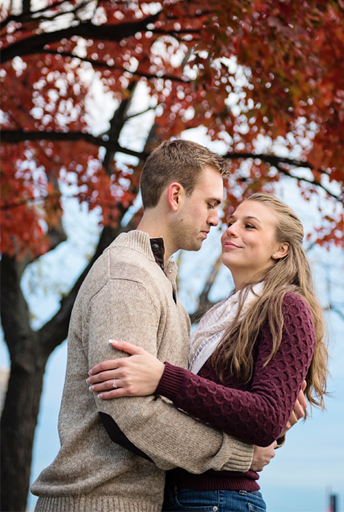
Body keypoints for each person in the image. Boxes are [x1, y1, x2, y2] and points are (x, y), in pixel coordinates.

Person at [31, 140, 271, 512]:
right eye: (211, 204)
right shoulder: (129, 275)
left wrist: (270, 401)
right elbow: (127, 413)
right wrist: (237, 454)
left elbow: (178, 396)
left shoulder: (158, 277)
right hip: (99, 502)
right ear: (175, 195)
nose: (215, 219)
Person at [86, 192, 329, 512]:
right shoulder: (219, 315)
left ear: (280, 249)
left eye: (250, 226)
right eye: (231, 222)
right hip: (180, 492)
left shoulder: (287, 306)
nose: (230, 229)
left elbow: (267, 418)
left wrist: (164, 378)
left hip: (219, 497)